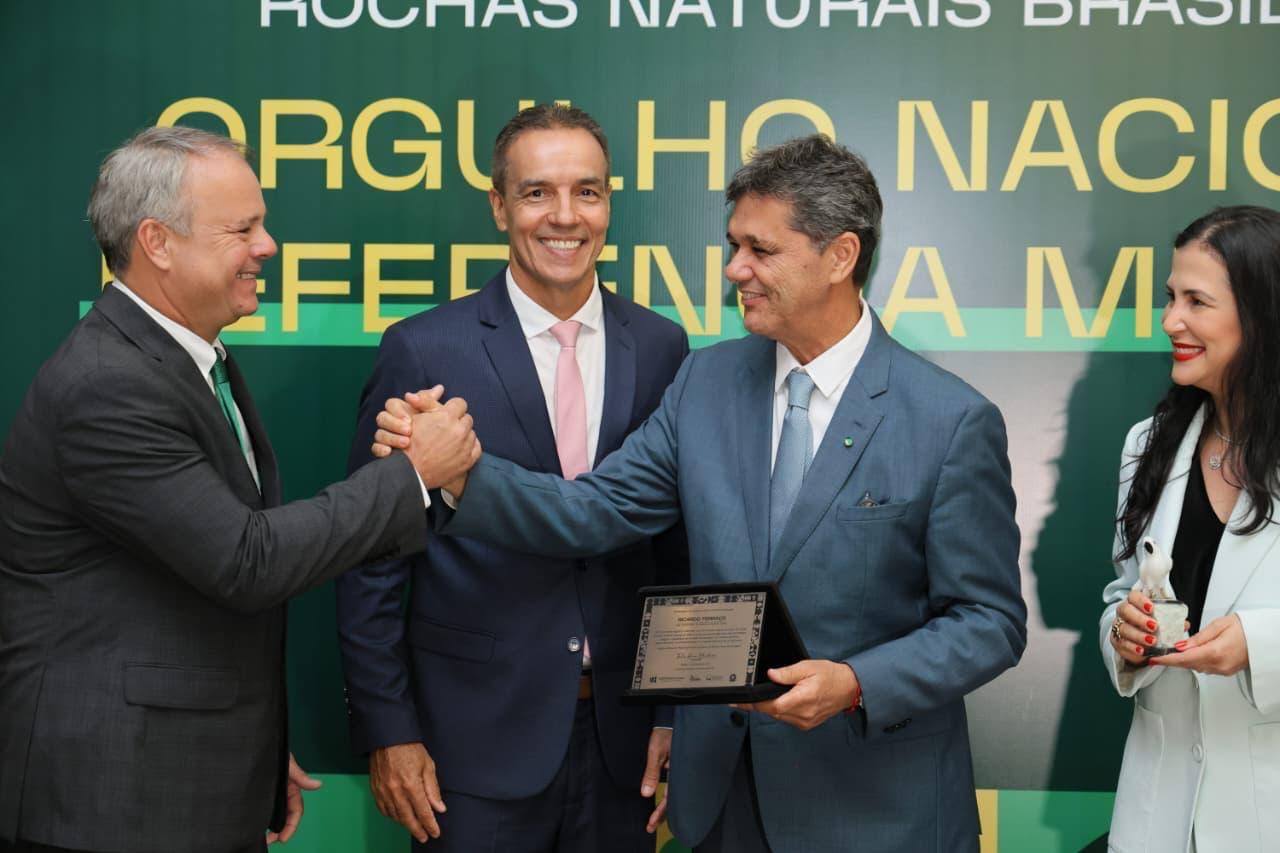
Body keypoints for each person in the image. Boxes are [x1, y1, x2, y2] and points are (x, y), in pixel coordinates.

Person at [375, 134, 1026, 852]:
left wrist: (855, 681)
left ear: (840, 256)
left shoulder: (950, 419)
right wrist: (462, 469)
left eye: (760, 250)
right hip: (723, 804)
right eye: (732, 244)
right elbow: (594, 510)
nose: (734, 269)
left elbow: (989, 620)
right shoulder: (706, 383)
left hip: (875, 810)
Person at [0, 126, 477, 853]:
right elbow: (245, 560)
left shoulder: (185, 357)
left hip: (182, 776)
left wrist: (248, 748)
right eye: (244, 227)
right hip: (112, 808)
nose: (269, 246)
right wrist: (414, 474)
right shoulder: (109, 385)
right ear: (158, 242)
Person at [336, 104, 690, 852]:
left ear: (608, 202)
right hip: (470, 748)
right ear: (499, 205)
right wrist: (389, 729)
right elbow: (371, 560)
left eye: (587, 191)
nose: (565, 216)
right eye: (537, 192)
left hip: (625, 748)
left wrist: (671, 712)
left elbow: (674, 548)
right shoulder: (424, 349)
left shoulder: (661, 346)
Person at [1101, 205, 1280, 853]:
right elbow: (1121, 594)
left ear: (1261, 316)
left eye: (1196, 301)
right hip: (1155, 819)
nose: (1171, 320)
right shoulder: (1145, 446)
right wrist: (1123, 633)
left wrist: (1258, 644)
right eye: (1170, 298)